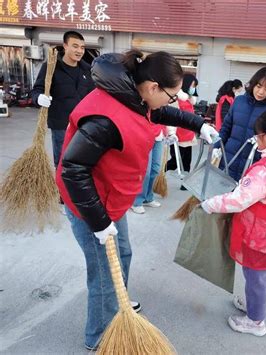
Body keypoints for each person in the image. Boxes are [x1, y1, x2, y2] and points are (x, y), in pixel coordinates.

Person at [55, 50, 218, 350]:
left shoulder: (135, 96)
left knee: (124, 254)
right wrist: (100, 223)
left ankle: (118, 304)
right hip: (89, 206)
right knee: (103, 273)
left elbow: (162, 112)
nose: (173, 103)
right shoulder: (107, 117)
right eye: (172, 96)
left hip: (111, 198)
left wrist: (198, 125)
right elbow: (72, 169)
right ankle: (99, 337)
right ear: (153, 87)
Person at [201, 110, 266, 336]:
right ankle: (255, 305)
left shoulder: (264, 170)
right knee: (265, 272)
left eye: (258, 136)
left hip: (259, 233)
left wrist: (210, 204)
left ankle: (256, 321)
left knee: (255, 276)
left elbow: (239, 200)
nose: (256, 139)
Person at [31, 31, 95, 169]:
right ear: (65, 46)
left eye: (82, 47)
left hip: (83, 126)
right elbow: (36, 90)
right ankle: (61, 190)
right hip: (61, 126)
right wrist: (39, 98)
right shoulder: (51, 67)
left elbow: (93, 98)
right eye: (75, 46)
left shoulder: (87, 70)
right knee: (62, 163)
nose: (79, 51)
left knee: (80, 164)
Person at [217, 67, 266, 181]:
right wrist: (216, 147)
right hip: (229, 158)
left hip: (253, 164)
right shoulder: (239, 101)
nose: (261, 92)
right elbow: (226, 128)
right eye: (259, 86)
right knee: (223, 194)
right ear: (253, 84)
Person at [166, 73, 199, 188]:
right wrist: (171, 133)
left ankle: (185, 183)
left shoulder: (190, 99)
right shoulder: (176, 98)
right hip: (178, 134)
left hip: (188, 134)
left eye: (194, 86)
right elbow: (171, 117)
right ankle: (159, 174)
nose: (193, 88)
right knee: (175, 161)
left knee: (186, 161)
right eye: (192, 85)